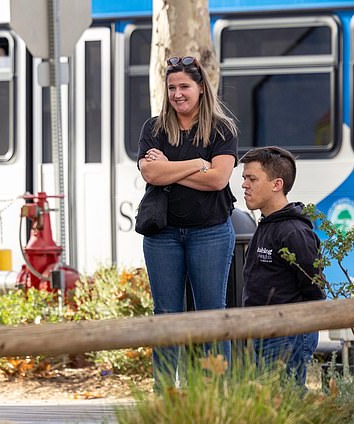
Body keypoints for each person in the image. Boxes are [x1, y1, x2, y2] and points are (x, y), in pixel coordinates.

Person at [137, 56, 239, 388]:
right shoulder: (153, 128)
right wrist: (197, 163)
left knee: (211, 313)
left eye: (184, 86)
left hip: (210, 232)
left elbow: (219, 180)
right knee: (166, 315)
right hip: (162, 234)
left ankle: (212, 393)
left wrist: (171, 170)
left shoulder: (221, 128)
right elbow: (150, 172)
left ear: (200, 88)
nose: (177, 94)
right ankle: (165, 394)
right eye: (171, 88)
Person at [241, 146, 325, 388]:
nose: (245, 185)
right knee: (272, 406)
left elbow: (314, 286)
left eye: (252, 179)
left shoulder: (294, 232)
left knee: (287, 402)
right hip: (263, 331)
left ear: (277, 184)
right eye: (244, 178)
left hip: (288, 333)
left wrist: (301, 328)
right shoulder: (267, 224)